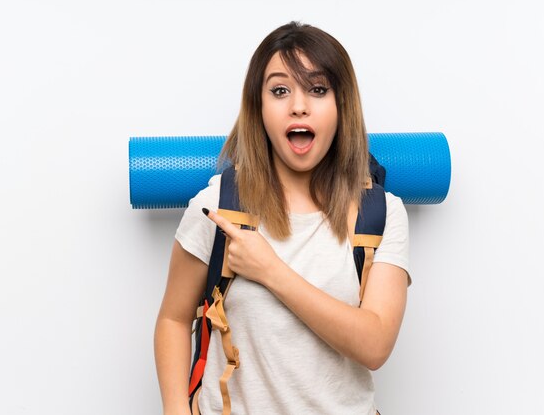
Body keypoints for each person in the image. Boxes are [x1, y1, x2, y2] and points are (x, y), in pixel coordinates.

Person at [154, 21, 410, 415]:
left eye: (318, 89)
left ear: (342, 107)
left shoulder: (382, 213)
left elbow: (375, 346)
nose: (298, 105)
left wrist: (270, 270)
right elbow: (173, 319)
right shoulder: (217, 206)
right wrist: (175, 409)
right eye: (279, 90)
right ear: (259, 109)